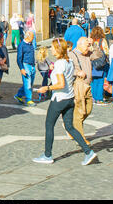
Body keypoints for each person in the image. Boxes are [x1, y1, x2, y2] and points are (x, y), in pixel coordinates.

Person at [32, 38, 97, 166]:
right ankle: (88, 152)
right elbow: (66, 76)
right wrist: (54, 68)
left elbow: (61, 83)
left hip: (59, 99)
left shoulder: (60, 64)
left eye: (52, 47)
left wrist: (47, 88)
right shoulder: (69, 61)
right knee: (70, 127)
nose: (51, 49)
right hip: (69, 98)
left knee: (49, 125)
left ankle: (47, 155)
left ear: (58, 49)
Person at [68, 37, 93, 144]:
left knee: (88, 109)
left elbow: (99, 55)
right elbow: (67, 69)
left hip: (87, 86)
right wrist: (77, 72)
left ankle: (71, 127)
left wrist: (93, 44)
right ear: (80, 44)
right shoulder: (71, 55)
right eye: (87, 45)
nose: (88, 48)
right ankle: (81, 138)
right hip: (78, 86)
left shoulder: (87, 53)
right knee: (79, 112)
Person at [14, 31, 36, 106]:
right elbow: (19, 58)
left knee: (30, 83)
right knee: (28, 84)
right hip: (25, 65)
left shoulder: (31, 44)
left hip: (32, 65)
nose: (33, 39)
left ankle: (18, 95)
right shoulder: (21, 45)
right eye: (32, 37)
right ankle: (28, 100)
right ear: (28, 37)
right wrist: (21, 68)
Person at [89, 27, 109, 105]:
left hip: (92, 62)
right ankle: (99, 99)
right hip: (100, 63)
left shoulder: (91, 41)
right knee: (100, 81)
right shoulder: (102, 41)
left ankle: (93, 98)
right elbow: (106, 52)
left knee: (93, 81)